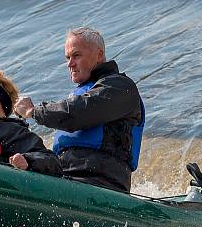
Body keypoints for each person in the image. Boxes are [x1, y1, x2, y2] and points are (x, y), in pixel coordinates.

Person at [14, 27, 145, 192]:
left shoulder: (121, 88)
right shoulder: (80, 93)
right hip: (64, 176)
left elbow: (76, 114)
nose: (70, 63)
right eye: (68, 57)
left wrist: (33, 112)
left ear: (99, 55)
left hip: (102, 183)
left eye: (76, 55)